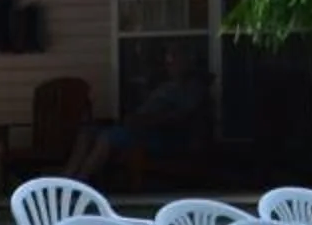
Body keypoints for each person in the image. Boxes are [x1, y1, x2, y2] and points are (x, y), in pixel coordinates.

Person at [63, 48, 209, 183]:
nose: (169, 66)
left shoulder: (192, 88)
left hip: (159, 133)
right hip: (139, 127)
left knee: (106, 137)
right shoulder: (167, 86)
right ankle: (66, 179)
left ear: (186, 63)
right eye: (168, 63)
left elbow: (181, 115)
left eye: (174, 62)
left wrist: (146, 121)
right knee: (87, 132)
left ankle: (81, 181)